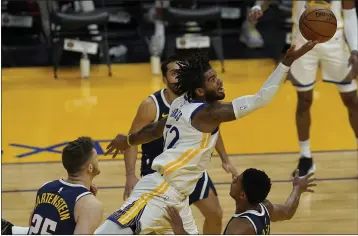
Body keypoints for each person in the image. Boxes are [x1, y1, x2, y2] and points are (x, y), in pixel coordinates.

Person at [97, 42, 316, 234]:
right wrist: (286, 62)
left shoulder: (179, 103)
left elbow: (155, 129)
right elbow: (261, 98)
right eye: (212, 79)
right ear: (200, 91)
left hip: (178, 199)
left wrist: (127, 140)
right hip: (157, 192)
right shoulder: (209, 113)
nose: (219, 81)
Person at [122, 55, 237, 234]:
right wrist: (129, 175)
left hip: (188, 170)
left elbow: (213, 127)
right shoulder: (151, 105)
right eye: (174, 73)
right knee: (156, 227)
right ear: (164, 78)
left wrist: (225, 159)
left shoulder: (196, 98)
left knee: (215, 214)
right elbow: (132, 139)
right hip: (158, 173)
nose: (178, 77)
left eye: (181, 72)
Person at [250, 0, 358, 176]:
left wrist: (355, 50)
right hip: (302, 37)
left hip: (335, 40)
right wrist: (257, 7)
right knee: (304, 100)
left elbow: (350, 14)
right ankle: (306, 158)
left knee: (352, 100)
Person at [165, 168, 316, 235]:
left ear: (243, 195)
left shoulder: (239, 229)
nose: (234, 178)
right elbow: (288, 211)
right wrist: (297, 189)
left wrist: (181, 232)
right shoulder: (265, 207)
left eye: (238, 181)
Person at [2, 137, 103, 235]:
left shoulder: (46, 187)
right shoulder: (90, 204)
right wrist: (88, 203)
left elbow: (32, 225)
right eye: (96, 158)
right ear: (90, 168)